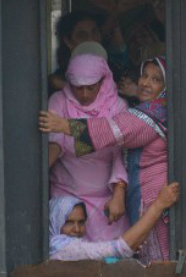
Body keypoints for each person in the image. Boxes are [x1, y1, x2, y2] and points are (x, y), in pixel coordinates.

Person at [40, 57, 170, 264]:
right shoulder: (147, 108)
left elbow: (114, 132)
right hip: (134, 198)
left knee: (158, 260)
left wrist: (65, 126)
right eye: (144, 75)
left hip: (156, 199)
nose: (145, 83)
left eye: (155, 80)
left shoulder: (157, 112)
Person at [48, 51, 128, 241]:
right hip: (66, 196)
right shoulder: (59, 101)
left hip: (107, 199)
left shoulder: (118, 106)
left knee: (109, 258)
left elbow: (119, 153)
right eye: (78, 88)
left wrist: (118, 194)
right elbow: (55, 142)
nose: (84, 94)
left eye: (91, 87)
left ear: (103, 81)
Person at [49, 183, 179, 261]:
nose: (77, 229)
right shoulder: (59, 246)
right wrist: (159, 205)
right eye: (69, 222)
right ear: (55, 221)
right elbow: (120, 247)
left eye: (81, 222)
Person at [49, 11, 104, 92]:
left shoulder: (113, 71)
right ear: (68, 42)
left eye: (95, 32)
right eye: (83, 36)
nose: (92, 39)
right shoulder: (59, 80)